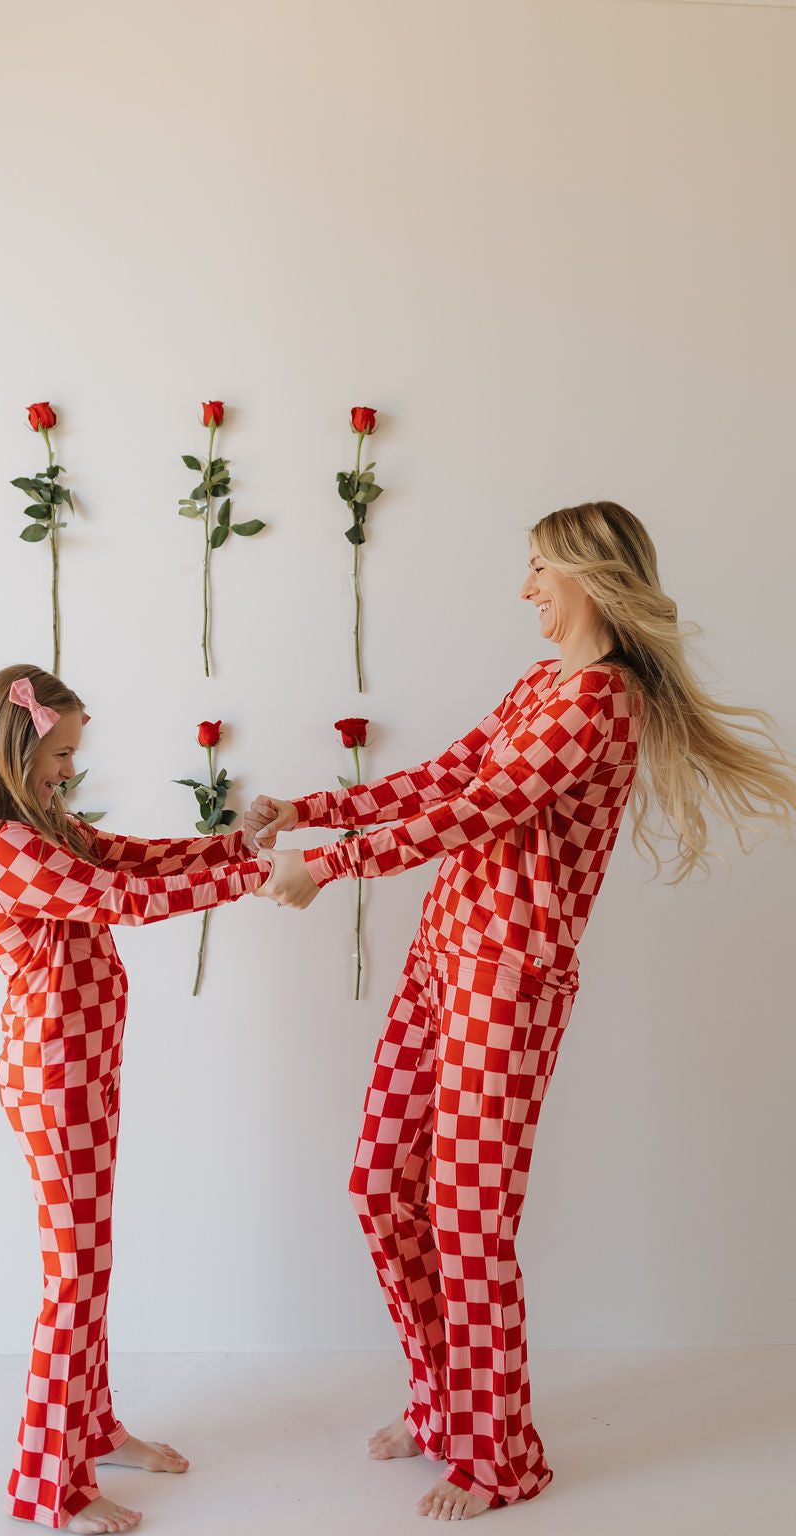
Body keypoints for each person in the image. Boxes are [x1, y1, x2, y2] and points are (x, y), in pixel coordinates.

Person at [247, 501, 796, 1522]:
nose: (526, 588)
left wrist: (326, 867)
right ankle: (441, 1403)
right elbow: (445, 776)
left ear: (590, 575)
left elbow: (476, 813)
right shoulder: (540, 685)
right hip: (438, 961)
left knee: (467, 1218)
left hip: (507, 982)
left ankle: (501, 1458)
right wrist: (307, 809)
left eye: (540, 568)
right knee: (378, 1184)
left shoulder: (601, 704)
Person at [0, 665, 271, 1534]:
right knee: (72, 1281)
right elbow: (127, 899)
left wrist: (234, 848)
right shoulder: (4, 847)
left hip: (84, 1066)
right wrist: (252, 879)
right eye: (61, 752)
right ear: (17, 745)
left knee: (90, 1268)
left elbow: (133, 857)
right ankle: (46, 1486)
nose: (70, 767)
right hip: (55, 1077)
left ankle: (94, 1429)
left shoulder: (44, 826)